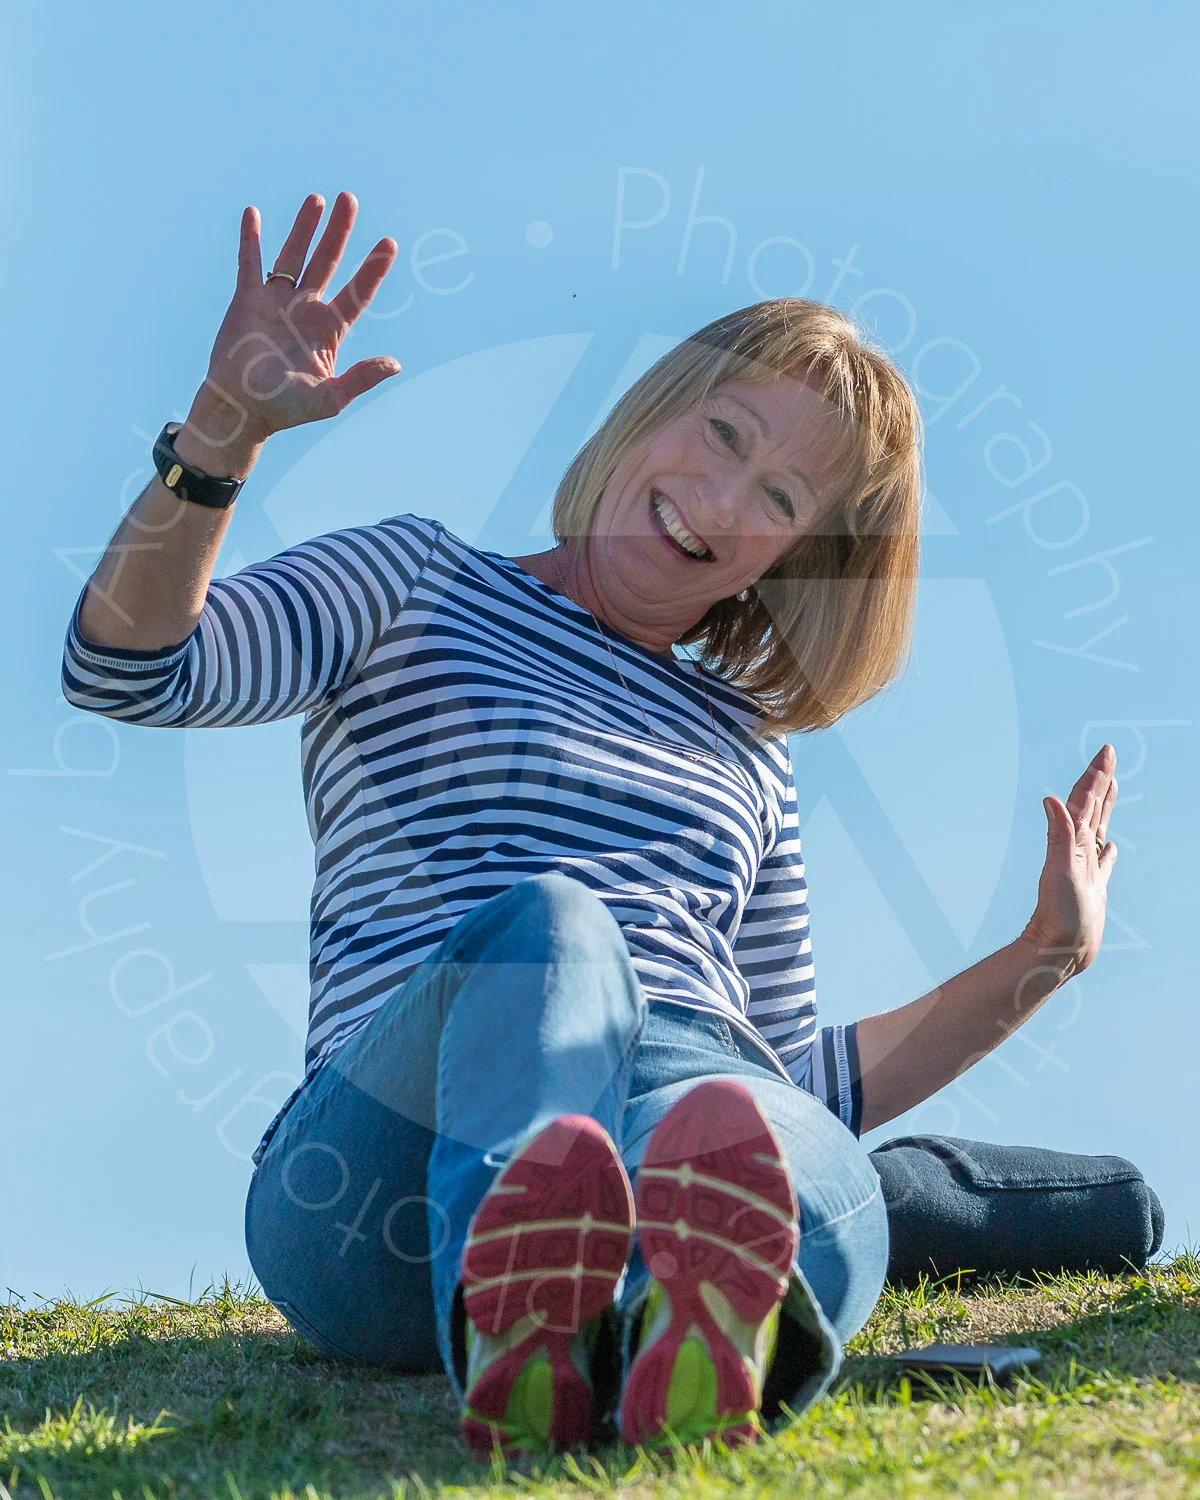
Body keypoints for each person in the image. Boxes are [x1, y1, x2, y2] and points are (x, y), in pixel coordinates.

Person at [60, 191, 1119, 1456]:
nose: (721, 501)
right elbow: (130, 670)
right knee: (558, 932)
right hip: (375, 1191)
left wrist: (1041, 959)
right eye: (721, 433)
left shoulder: (751, 754)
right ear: (650, 414)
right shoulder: (415, 583)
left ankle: (640, 1330)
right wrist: (222, 435)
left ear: (788, 557)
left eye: (779, 498)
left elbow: (794, 1077)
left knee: (768, 1139)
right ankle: (530, 1284)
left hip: (677, 1114)